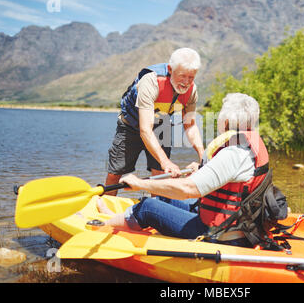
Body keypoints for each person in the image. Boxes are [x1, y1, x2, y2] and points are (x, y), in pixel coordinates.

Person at [98, 93, 270, 248]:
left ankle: (100, 228)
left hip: (221, 233)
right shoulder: (246, 146)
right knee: (163, 195)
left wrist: (141, 184)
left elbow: (188, 190)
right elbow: (231, 179)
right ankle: (116, 218)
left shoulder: (233, 153)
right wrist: (203, 169)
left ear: (225, 121)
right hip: (235, 223)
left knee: (147, 207)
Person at [105, 48, 205, 195]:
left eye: (191, 77)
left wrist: (204, 156)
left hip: (161, 126)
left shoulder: (192, 91)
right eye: (182, 76)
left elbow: (190, 126)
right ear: (170, 69)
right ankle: (105, 207)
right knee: (115, 172)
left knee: (160, 174)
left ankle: (154, 209)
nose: (186, 82)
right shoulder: (151, 82)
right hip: (131, 126)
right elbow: (145, 130)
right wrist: (166, 161)